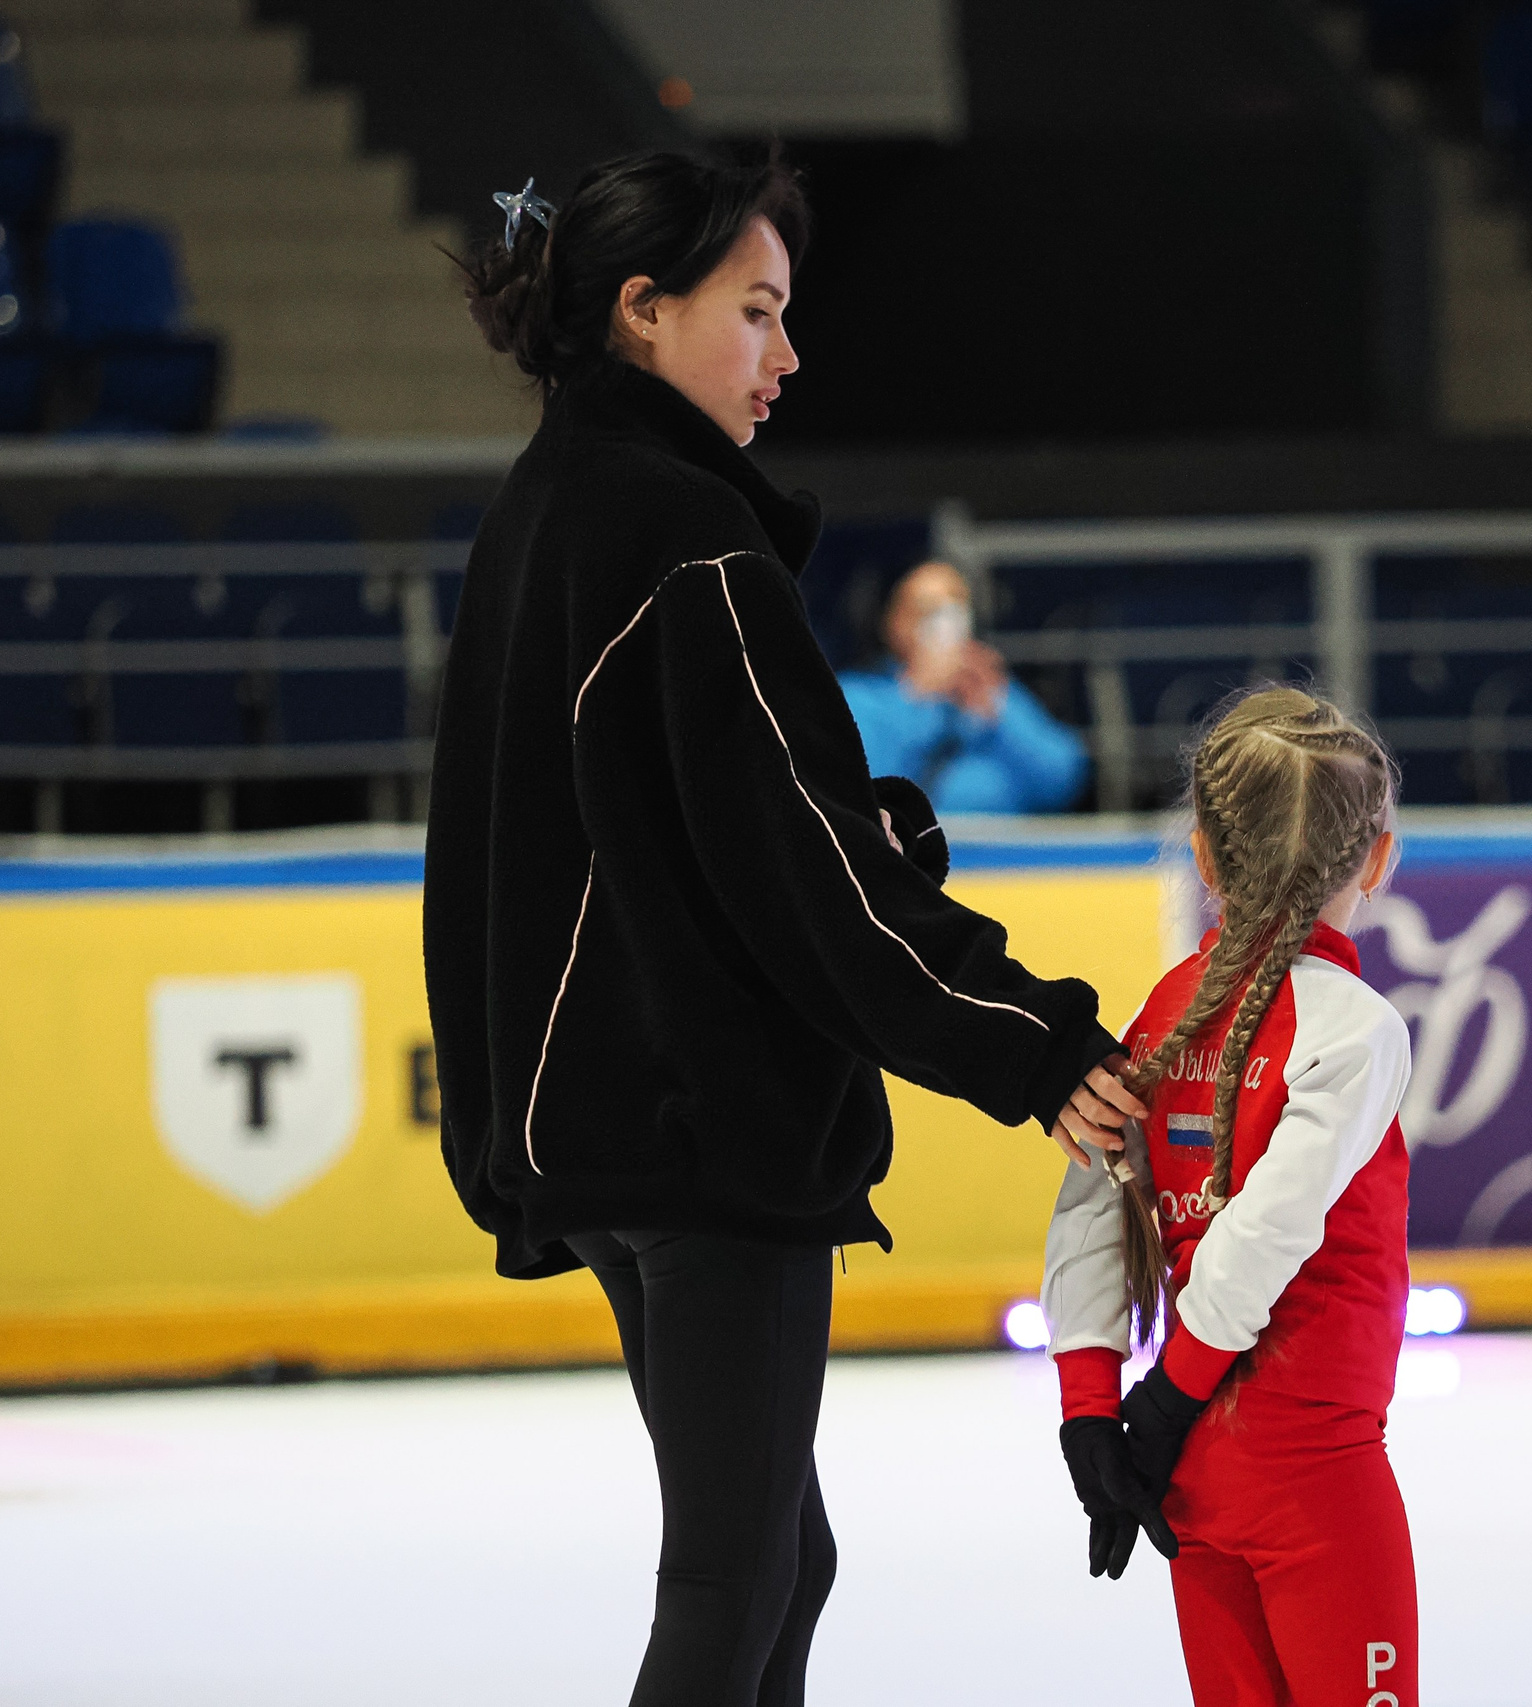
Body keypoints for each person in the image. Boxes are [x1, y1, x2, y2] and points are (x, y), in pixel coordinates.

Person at [421, 149, 1147, 1707]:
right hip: (700, 1133)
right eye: (755, 312)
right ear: (642, 312)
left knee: (774, 1561)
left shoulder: (542, 510)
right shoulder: (685, 539)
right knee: (735, 1573)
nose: (787, 355)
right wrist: (1031, 1040)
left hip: (602, 1136)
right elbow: (810, 881)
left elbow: (643, 837)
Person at [1040, 686, 1421, 1707]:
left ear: (1202, 857)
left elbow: (1085, 1209)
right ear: (1377, 859)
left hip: (1197, 1478)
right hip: (1314, 1476)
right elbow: (1267, 1231)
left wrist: (1093, 1416)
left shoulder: (1162, 1011)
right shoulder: (1355, 1028)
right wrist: (1154, 1409)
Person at [837, 560, 1089, 814]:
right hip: (911, 848)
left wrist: (996, 710)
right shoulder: (859, 697)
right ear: (895, 622)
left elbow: (1064, 780)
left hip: (999, 847)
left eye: (955, 606)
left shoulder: (993, 692)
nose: (943, 621)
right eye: (926, 608)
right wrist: (917, 698)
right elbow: (864, 789)